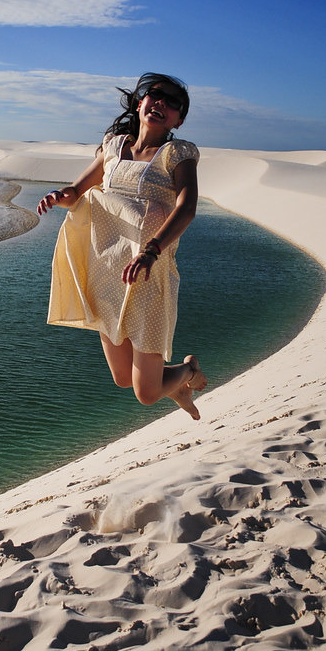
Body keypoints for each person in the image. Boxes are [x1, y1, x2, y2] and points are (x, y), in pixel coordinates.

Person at [37, 72, 207, 420]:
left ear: (179, 118)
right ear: (140, 101)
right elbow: (77, 192)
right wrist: (59, 196)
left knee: (146, 393)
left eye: (172, 103)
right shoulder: (114, 146)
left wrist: (152, 249)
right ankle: (176, 386)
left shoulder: (177, 154)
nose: (161, 104)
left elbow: (187, 207)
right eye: (155, 95)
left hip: (148, 274)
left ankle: (188, 372)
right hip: (107, 271)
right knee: (121, 379)